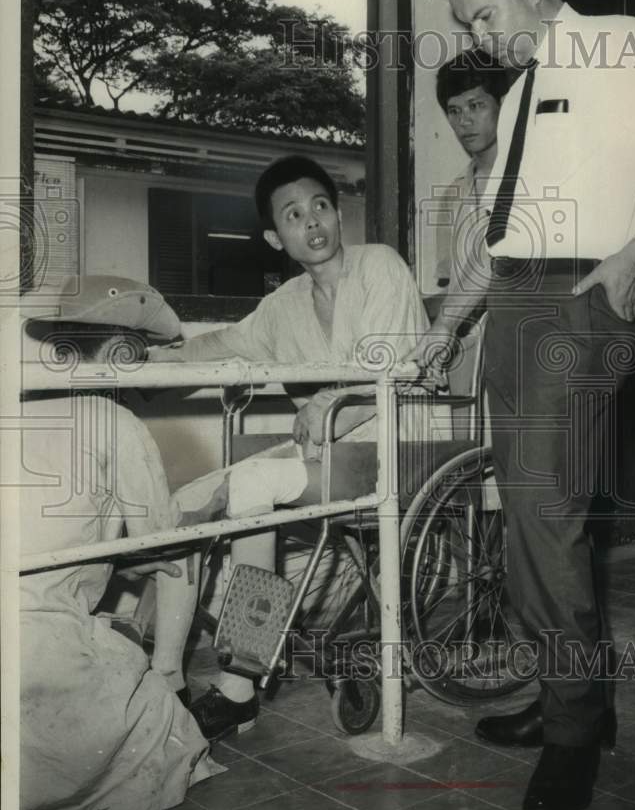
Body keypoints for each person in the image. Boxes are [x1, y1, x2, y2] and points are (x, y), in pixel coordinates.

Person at [412, 0, 635, 810]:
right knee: (524, 522)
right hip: (513, 308)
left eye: (484, 16)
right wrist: (449, 325)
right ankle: (568, 701)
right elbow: (501, 234)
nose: (480, 39)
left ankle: (573, 732)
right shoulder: (520, 96)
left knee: (549, 520)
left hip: (577, 302)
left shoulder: (619, 44)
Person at [148, 154, 429, 742]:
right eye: (294, 214)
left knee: (250, 485)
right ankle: (166, 675)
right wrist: (154, 358)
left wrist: (333, 399)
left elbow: (394, 372)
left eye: (320, 206)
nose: (313, 222)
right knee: (186, 498)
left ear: (338, 213)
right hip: (332, 454)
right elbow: (227, 340)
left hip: (401, 443)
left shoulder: (381, 267)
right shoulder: (287, 303)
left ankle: (240, 685)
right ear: (278, 237)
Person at [19, 277, 224, 810]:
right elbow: (159, 537)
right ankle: (171, 678)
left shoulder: (20, 409)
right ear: (116, 355)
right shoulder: (115, 421)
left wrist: (120, 563)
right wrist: (214, 508)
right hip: (40, 660)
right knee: (166, 743)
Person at [432, 49, 510, 289]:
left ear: (503, 103)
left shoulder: (531, 178)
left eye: (475, 106)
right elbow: (450, 293)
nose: (464, 121)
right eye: (454, 111)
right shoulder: (452, 196)